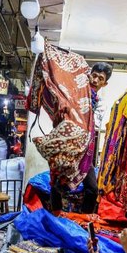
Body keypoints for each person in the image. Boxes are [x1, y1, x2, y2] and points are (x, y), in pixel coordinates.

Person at [51, 62, 113, 214]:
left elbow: (94, 124)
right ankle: (55, 215)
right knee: (57, 184)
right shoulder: (74, 94)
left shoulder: (99, 104)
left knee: (92, 189)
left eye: (100, 78)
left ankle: (84, 221)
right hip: (67, 147)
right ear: (88, 76)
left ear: (104, 84)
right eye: (94, 75)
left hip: (85, 152)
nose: (95, 80)